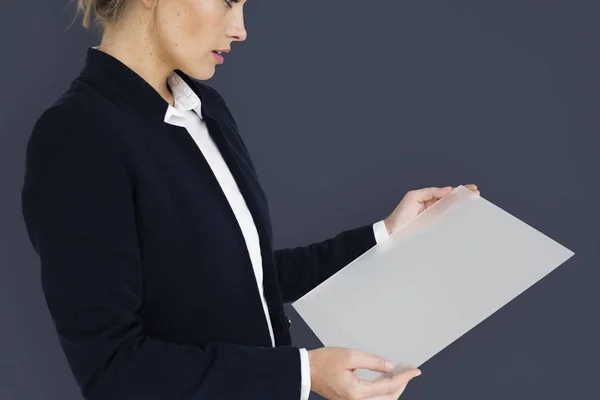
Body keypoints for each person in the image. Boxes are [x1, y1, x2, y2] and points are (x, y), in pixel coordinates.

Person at [20, 0, 480, 399]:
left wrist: (386, 236)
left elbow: (245, 277)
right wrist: (303, 374)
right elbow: (113, 370)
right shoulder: (79, 135)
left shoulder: (204, 108)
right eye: (227, 2)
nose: (241, 29)